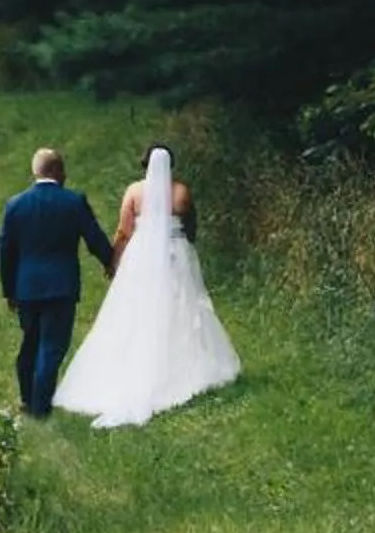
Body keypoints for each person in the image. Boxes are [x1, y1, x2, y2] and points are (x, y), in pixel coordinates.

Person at [53, 141, 241, 430]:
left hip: (141, 256)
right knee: (181, 307)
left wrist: (113, 262)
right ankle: (181, 365)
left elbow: (124, 230)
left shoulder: (134, 192)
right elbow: (191, 226)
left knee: (136, 310)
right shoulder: (181, 192)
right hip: (176, 254)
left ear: (145, 164)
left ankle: (135, 365)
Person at [0, 147, 116, 418]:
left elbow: (5, 249)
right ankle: (40, 409)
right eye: (63, 170)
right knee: (51, 347)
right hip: (61, 286)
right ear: (57, 171)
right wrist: (110, 262)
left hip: (26, 287)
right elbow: (94, 237)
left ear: (35, 172)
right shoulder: (74, 202)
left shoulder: (15, 205)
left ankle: (28, 399)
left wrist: (9, 290)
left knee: (30, 342)